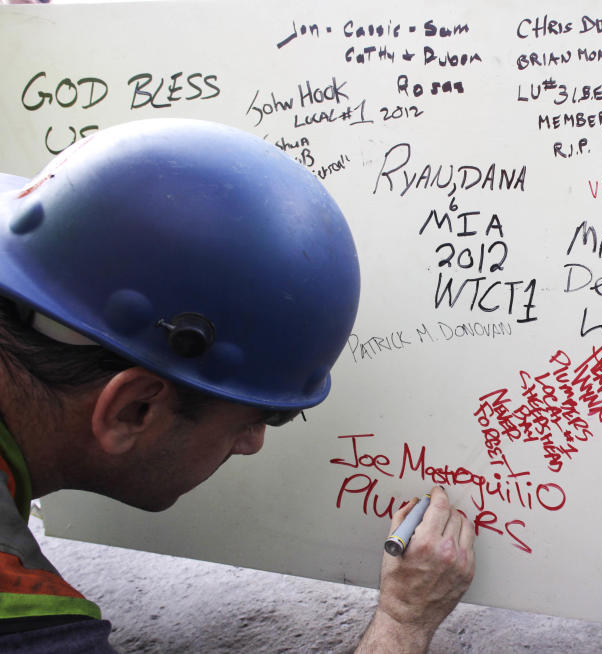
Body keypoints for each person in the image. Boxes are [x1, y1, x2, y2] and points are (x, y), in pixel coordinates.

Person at [0, 118, 475, 653]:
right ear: (133, 410)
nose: (253, 443)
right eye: (258, 418)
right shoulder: (22, 623)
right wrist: (403, 622)